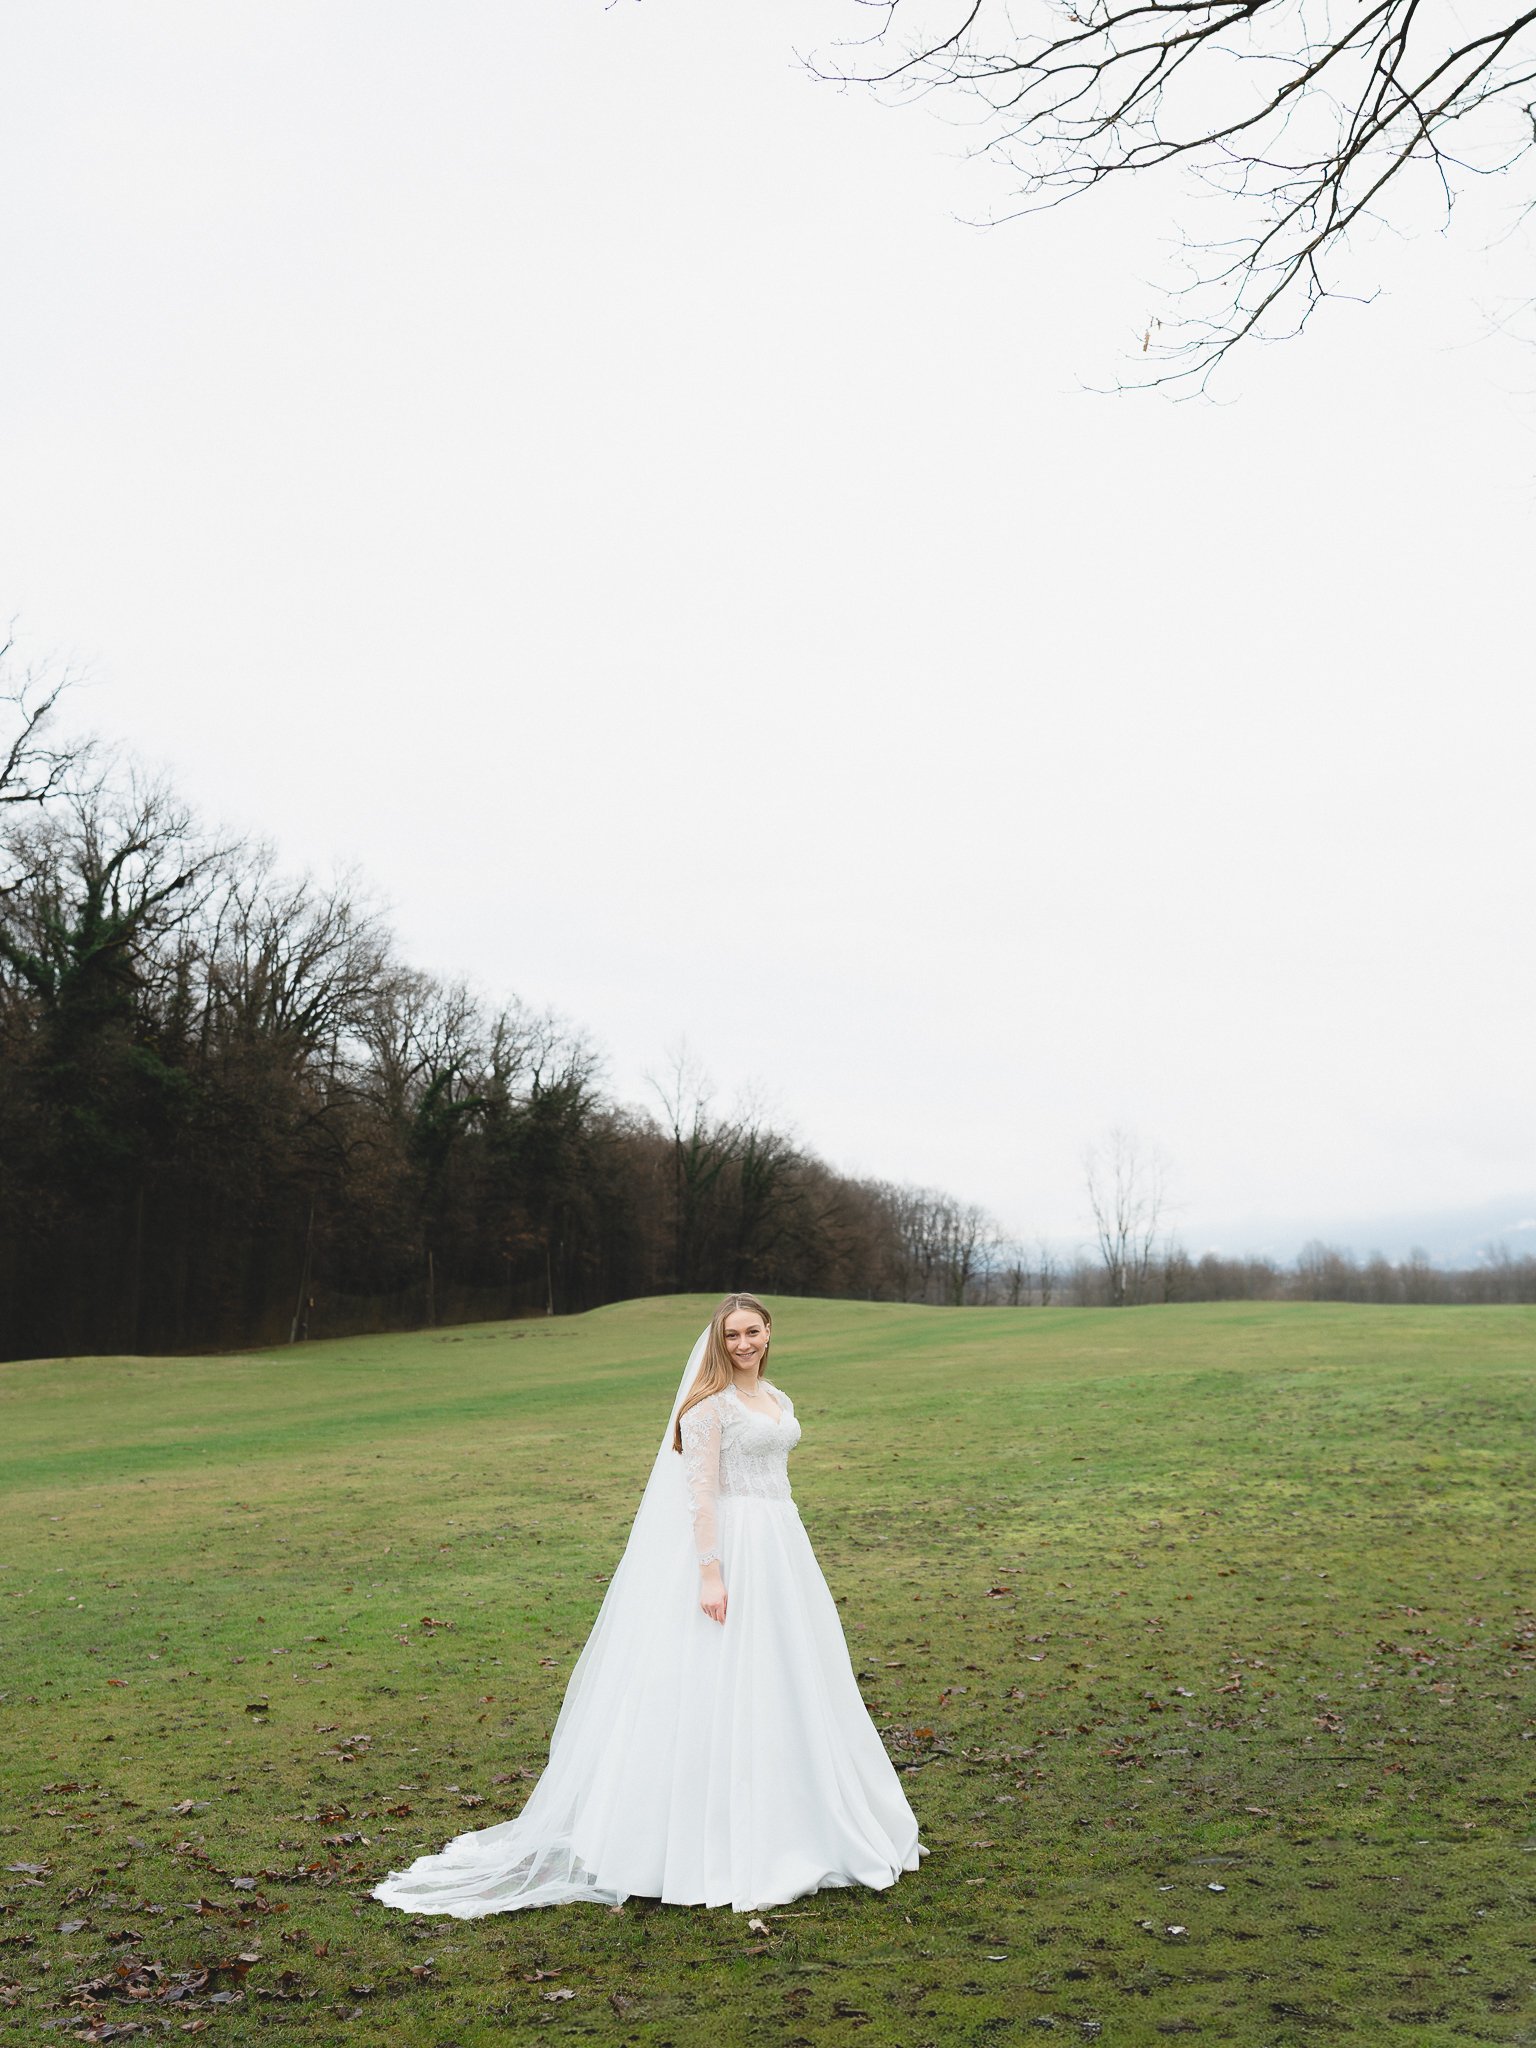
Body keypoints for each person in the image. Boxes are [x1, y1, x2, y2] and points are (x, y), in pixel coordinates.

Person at [371, 1292, 925, 1916]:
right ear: (718, 1341)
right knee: (716, 1675)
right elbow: (701, 1495)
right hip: (730, 1547)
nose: (743, 1344)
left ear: (769, 1332)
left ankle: (806, 1813)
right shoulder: (705, 1407)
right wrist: (710, 1574)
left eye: (753, 1331)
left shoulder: (777, 1398)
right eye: (732, 1335)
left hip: (781, 1546)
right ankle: (694, 1840)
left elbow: (777, 1476)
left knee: (789, 1672)